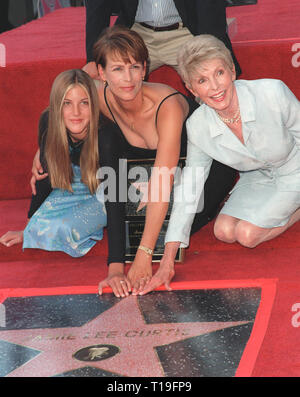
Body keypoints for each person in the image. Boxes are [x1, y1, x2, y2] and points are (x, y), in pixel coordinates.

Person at [31, 27, 237, 297]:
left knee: (166, 226)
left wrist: (143, 256)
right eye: (117, 69)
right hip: (145, 173)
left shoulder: (168, 105)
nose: (127, 79)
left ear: (144, 69)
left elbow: (162, 182)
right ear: (102, 74)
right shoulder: (98, 95)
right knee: (122, 205)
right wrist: (41, 148)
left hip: (204, 170)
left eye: (134, 67)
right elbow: (56, 108)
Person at [148, 34, 300, 294]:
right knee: (224, 230)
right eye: (202, 80)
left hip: (295, 167)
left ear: (232, 71)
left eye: (219, 73)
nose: (215, 87)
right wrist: (166, 260)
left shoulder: (272, 92)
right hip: (256, 177)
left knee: (248, 235)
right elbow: (190, 190)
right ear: (192, 89)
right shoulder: (197, 127)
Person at [0, 69, 107, 257]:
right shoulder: (48, 122)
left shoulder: (105, 131)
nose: (76, 112)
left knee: (64, 228)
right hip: (71, 184)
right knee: (42, 229)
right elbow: (44, 175)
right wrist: (29, 227)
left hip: (107, 190)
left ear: (94, 104)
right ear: (57, 106)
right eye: (67, 104)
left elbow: (118, 190)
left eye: (84, 103)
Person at [83, 0, 241, 79]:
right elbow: (98, 5)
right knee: (104, 81)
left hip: (186, 31)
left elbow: (209, 5)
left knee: (214, 80)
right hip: (137, 32)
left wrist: (210, 45)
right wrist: (93, 58)